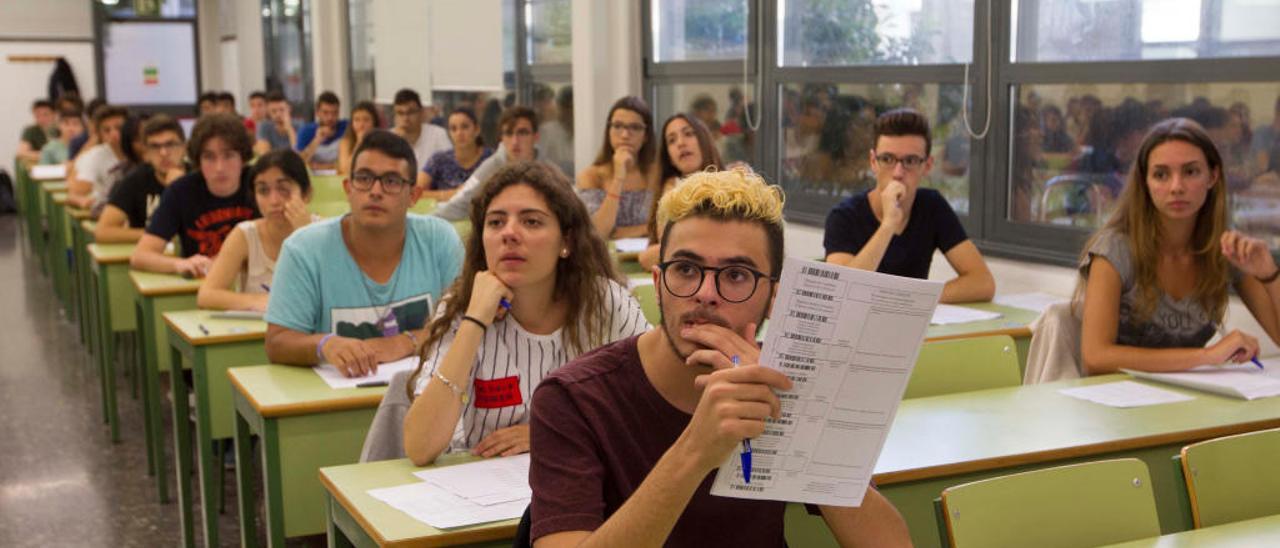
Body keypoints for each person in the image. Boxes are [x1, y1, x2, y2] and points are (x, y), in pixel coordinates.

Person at [528, 168, 912, 547]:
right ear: (659, 286)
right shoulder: (573, 398)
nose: (706, 293)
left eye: (736, 275)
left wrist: (798, 428)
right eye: (685, 269)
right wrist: (697, 448)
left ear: (775, 299)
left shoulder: (786, 385)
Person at [402, 161, 648, 465]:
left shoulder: (606, 303)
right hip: (483, 493)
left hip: (584, 482)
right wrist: (474, 320)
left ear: (566, 241)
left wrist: (549, 433)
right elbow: (419, 446)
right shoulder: (463, 307)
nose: (509, 234)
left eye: (531, 222)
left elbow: (654, 405)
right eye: (495, 223)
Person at [1077, 117, 1280, 375]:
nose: (1176, 187)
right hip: (1116, 404)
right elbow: (1095, 358)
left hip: (1189, 402)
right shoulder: (1114, 249)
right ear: (1145, 181)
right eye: (1161, 175)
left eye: (1191, 172)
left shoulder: (1223, 249)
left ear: (1212, 176)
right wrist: (1206, 356)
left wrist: (1269, 274)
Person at [263, 130, 463, 374]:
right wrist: (324, 344)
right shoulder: (303, 249)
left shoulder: (439, 239)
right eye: (365, 178)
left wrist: (404, 342)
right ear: (348, 188)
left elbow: (465, 325)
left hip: (423, 395)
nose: (375, 191)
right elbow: (276, 343)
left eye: (391, 181)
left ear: (414, 195)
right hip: (334, 400)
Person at [823, 108, 995, 303]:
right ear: (873, 162)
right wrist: (888, 224)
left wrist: (911, 301)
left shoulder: (932, 205)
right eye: (887, 159)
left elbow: (983, 282)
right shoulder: (844, 216)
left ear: (927, 166)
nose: (898, 172)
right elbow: (841, 291)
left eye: (910, 161)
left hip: (911, 326)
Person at [129, 113, 259, 276]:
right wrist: (180, 264)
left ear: (243, 158)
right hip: (202, 287)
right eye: (209, 157)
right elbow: (140, 256)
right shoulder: (181, 191)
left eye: (229, 155)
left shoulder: (260, 184)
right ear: (198, 161)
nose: (219, 167)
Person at [197, 149, 315, 311]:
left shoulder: (324, 232)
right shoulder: (245, 234)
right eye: (263, 190)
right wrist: (257, 301)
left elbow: (337, 292)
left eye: (283, 189)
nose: (274, 201)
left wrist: (306, 236)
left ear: (307, 194)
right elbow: (207, 295)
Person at [433, 106, 568, 222]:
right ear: (501, 138)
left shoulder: (550, 171)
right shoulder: (490, 167)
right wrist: (425, 224)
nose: (515, 141)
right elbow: (459, 202)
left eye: (522, 133)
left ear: (536, 137)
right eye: (509, 133)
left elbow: (570, 208)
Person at [637, 114, 722, 271]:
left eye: (688, 134)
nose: (681, 143)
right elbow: (661, 248)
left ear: (704, 140)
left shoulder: (732, 185)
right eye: (672, 140)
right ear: (669, 157)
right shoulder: (668, 190)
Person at [576, 96, 660, 239]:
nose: (625, 135)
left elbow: (667, 227)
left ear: (646, 135)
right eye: (618, 126)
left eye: (635, 127)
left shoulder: (658, 173)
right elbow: (599, 231)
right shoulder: (591, 176)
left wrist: (619, 233)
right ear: (608, 131)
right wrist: (619, 177)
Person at [95, 115, 188, 243]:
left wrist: (179, 189)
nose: (163, 153)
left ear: (184, 147)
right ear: (147, 153)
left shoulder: (200, 176)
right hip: (151, 258)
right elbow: (102, 232)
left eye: (170, 144)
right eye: (155, 147)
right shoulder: (136, 180)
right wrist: (157, 234)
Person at [416, 107, 493, 201]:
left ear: (476, 129)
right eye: (453, 129)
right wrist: (451, 194)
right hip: (443, 214)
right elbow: (415, 192)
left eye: (465, 127)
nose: (459, 133)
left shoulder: (491, 159)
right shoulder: (439, 159)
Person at [67, 105, 128, 210]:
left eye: (119, 128)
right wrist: (84, 202)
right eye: (107, 130)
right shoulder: (95, 156)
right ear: (100, 135)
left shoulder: (141, 150)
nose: (114, 134)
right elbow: (74, 194)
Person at [391, 88, 452, 171]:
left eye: (411, 112)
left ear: (421, 112)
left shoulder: (438, 134)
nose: (405, 118)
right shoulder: (387, 138)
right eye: (400, 113)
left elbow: (450, 167)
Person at [296, 90, 348, 170]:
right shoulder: (306, 131)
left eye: (334, 113)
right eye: (325, 113)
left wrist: (317, 166)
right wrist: (317, 140)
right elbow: (299, 162)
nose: (330, 117)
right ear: (317, 112)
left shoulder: (347, 127)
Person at [338, 101, 381, 176]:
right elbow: (345, 169)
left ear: (374, 122)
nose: (361, 125)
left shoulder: (382, 142)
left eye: (366, 120)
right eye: (357, 120)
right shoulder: (345, 142)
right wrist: (359, 142)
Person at [538, 86, 575, 175]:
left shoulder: (583, 131)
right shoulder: (547, 131)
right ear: (559, 107)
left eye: (571, 107)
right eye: (565, 107)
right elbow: (541, 162)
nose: (568, 111)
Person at [254, 90, 300, 155]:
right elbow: (264, 154)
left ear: (289, 109)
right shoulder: (263, 126)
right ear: (268, 112)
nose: (278, 114)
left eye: (282, 110)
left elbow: (298, 153)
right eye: (273, 111)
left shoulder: (299, 125)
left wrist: (289, 129)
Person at [17, 99, 56, 165]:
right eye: (37, 115)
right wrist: (46, 155)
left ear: (54, 114)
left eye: (45, 115)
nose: (41, 119)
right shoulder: (30, 130)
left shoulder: (60, 129)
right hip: (38, 165)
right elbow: (21, 153)